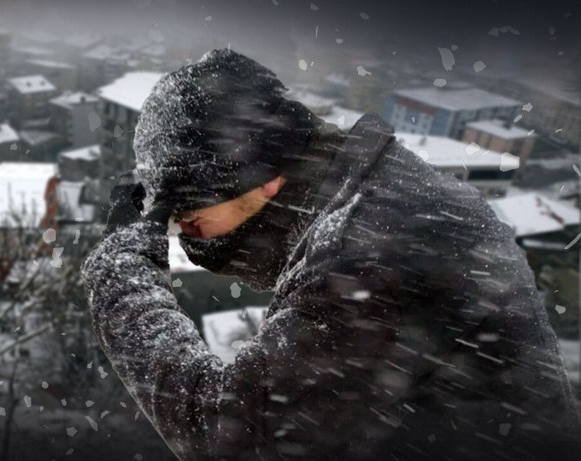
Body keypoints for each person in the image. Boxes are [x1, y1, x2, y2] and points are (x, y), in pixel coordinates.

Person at [80, 48, 581, 460]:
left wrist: (122, 277)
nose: (185, 233)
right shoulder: (380, 195)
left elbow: (229, 438)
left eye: (190, 215)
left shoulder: (366, 257)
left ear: (265, 180)